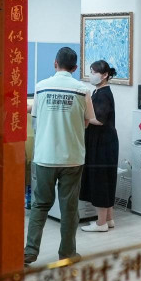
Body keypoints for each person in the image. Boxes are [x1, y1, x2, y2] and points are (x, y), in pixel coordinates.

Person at [24, 46, 95, 265]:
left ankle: (30, 252)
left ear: (55, 63)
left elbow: (36, 115)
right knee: (69, 208)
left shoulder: (41, 87)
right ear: (75, 67)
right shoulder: (84, 90)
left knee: (40, 205)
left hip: (45, 156)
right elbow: (87, 122)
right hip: (72, 157)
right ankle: (67, 253)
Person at [80, 60, 119, 232]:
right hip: (104, 142)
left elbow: (99, 119)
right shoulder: (99, 91)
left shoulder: (103, 94)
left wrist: (83, 119)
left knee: (101, 181)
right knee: (107, 179)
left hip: (102, 144)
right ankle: (109, 219)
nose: (91, 75)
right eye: (90, 71)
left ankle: (100, 223)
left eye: (94, 72)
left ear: (104, 75)